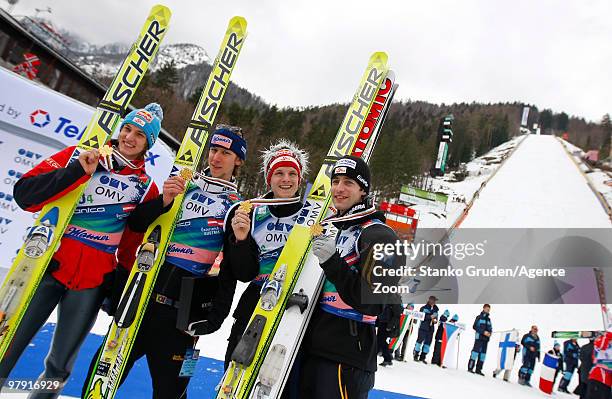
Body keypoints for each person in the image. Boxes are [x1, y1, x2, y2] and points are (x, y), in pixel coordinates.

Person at [0, 104, 181, 398]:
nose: (129, 138)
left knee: (59, 367)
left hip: (91, 282)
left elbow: (131, 243)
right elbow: (25, 195)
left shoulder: (144, 186)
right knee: (6, 347)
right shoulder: (80, 156)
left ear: (148, 143)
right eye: (127, 129)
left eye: (139, 135)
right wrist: (78, 171)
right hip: (50, 267)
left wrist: (119, 287)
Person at [81, 125, 247, 399]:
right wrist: (164, 200)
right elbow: (135, 224)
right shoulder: (183, 184)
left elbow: (229, 272)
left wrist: (215, 317)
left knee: (173, 392)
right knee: (98, 382)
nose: (216, 158)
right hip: (140, 303)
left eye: (225, 153)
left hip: (181, 320)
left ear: (238, 160)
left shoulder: (235, 206)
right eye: (214, 150)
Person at [298, 155, 403, 399]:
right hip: (312, 348)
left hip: (347, 357)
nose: (339, 189)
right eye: (335, 181)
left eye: (348, 182)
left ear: (363, 190)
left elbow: (374, 303)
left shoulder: (380, 235)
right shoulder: (335, 227)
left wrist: (332, 261)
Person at [222, 139, 309, 369]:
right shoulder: (252, 211)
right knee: (233, 378)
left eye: (292, 173)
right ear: (269, 178)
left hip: (292, 308)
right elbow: (243, 273)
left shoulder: (310, 216)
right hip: (253, 303)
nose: (286, 179)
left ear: (300, 179)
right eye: (279, 173)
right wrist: (240, 240)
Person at [585, 328, 611, 399]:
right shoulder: (601, 341)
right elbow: (601, 346)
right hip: (598, 378)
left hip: (607, 383)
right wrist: (608, 335)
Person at [468, 304, 492, 375]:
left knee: (483, 355)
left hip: (486, 340)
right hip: (479, 338)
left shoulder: (489, 319)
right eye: (487, 309)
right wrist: (483, 332)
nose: (488, 310)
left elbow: (490, 328)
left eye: (489, 309)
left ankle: (478, 370)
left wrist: (489, 333)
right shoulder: (479, 317)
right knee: (475, 353)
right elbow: (475, 326)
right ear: (484, 308)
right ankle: (470, 368)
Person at [413, 296, 439, 363]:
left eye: (435, 300)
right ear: (430, 300)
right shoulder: (423, 308)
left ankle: (423, 357)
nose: (434, 302)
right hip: (423, 327)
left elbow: (436, 318)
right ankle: (416, 355)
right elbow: (421, 316)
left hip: (431, 329)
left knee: (427, 343)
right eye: (433, 300)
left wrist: (435, 321)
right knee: (419, 341)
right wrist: (430, 317)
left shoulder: (436, 309)